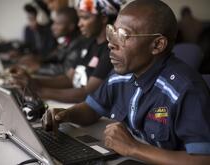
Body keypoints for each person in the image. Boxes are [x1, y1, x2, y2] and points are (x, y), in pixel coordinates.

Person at [42, 0, 210, 164]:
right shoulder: (120, 75)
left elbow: (203, 159)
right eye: (112, 32)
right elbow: (91, 110)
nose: (111, 44)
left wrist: (133, 148)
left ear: (157, 45)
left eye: (123, 35)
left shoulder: (186, 90)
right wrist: (65, 115)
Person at [10, 0, 123, 103]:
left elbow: (86, 93)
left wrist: (39, 91)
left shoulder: (110, 50)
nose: (79, 24)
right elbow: (69, 78)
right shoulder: (89, 42)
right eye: (79, 18)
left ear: (103, 18)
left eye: (85, 18)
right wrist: (33, 81)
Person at [30, 7, 85, 76]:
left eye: (58, 24)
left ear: (71, 27)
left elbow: (65, 70)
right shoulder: (67, 40)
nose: (53, 27)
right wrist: (38, 60)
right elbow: (56, 56)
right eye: (54, 23)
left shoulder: (79, 44)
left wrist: (38, 68)